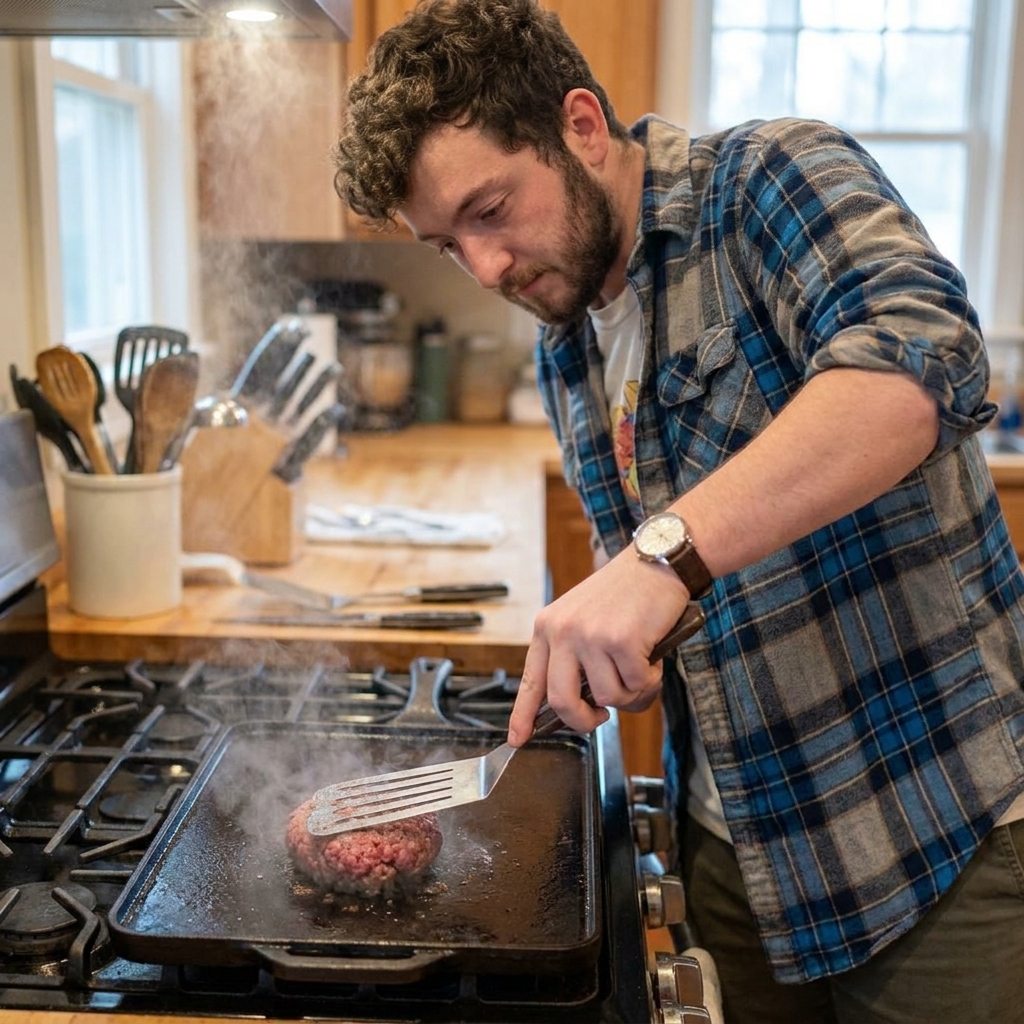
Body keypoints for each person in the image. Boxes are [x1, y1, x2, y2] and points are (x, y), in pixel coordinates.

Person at [333, 2, 1024, 1021]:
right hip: (737, 839)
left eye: (489, 209)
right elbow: (683, 601)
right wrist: (623, 647)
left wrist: (655, 561)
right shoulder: (566, 347)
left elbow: (920, 362)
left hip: (932, 831)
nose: (485, 269)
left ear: (578, 124)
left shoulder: (763, 182)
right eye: (446, 246)